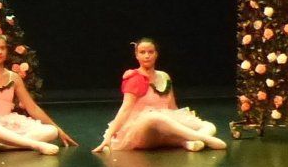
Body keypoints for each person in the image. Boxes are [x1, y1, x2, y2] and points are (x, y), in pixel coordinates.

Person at [93, 38, 227, 153]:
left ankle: (187, 142)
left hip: (164, 130)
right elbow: (125, 108)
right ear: (136, 55)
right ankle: (204, 139)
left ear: (156, 54)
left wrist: (183, 121)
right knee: (154, 117)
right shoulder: (134, 78)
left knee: (209, 126)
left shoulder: (164, 76)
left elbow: (172, 107)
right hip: (144, 131)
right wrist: (109, 135)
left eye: (150, 52)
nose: (147, 56)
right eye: (142, 52)